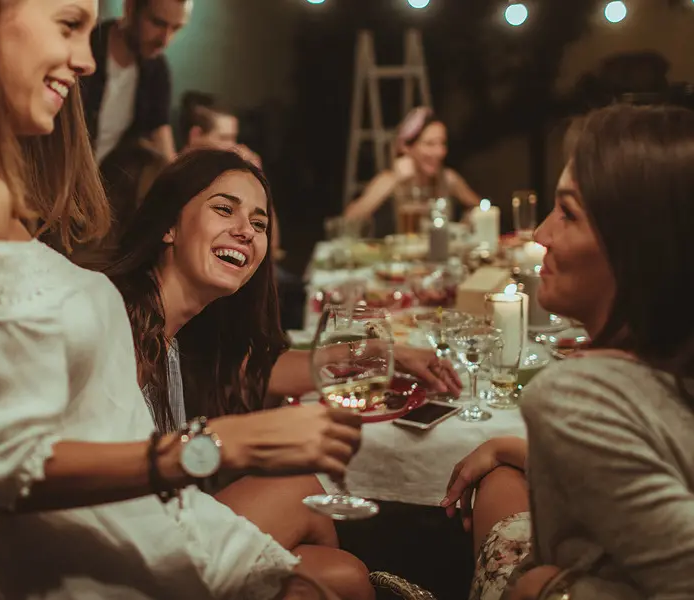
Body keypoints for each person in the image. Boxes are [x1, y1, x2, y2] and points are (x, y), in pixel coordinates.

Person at [0, 1, 366, 598]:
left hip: (113, 519)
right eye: (69, 25)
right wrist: (220, 444)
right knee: (337, 578)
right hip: (56, 553)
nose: (88, 60)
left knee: (334, 570)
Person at [440, 104, 694, 600]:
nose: (541, 236)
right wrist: (518, 449)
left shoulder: (575, 395)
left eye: (569, 213)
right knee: (500, 476)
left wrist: (559, 590)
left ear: (639, 246)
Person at [107, 148, 375, 600]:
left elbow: (259, 369)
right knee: (308, 509)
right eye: (224, 209)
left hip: (156, 524)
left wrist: (376, 354)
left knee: (342, 571)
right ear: (169, 225)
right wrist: (227, 444)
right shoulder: (118, 321)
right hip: (120, 547)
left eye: (259, 223)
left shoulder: (176, 333)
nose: (245, 231)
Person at [81, 0, 190, 162]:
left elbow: (161, 136)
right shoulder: (86, 48)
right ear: (130, 8)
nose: (165, 40)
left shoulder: (156, 69)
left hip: (101, 180)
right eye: (157, 23)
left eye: (176, 28)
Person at [344, 106, 481, 228]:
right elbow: (348, 220)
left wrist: (467, 223)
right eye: (429, 144)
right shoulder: (389, 179)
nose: (439, 152)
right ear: (406, 147)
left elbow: (483, 208)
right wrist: (395, 180)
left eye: (442, 144)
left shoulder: (447, 178)